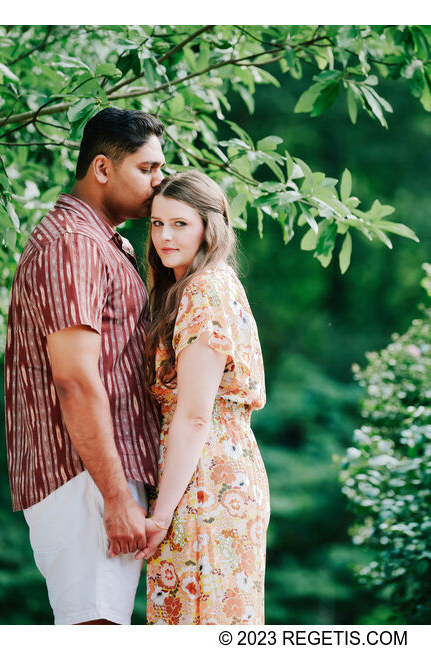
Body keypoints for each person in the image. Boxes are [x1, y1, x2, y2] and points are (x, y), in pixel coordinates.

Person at [4, 107, 166, 625]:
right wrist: (117, 497)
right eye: (146, 169)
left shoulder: (99, 241)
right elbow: (74, 378)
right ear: (101, 168)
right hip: (86, 479)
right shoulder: (74, 243)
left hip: (97, 475)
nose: (159, 182)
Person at [135, 171, 269, 624]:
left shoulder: (204, 290)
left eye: (180, 224)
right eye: (157, 224)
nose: (164, 237)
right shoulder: (206, 285)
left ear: (209, 228)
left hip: (204, 478)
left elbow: (194, 416)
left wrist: (159, 517)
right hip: (217, 469)